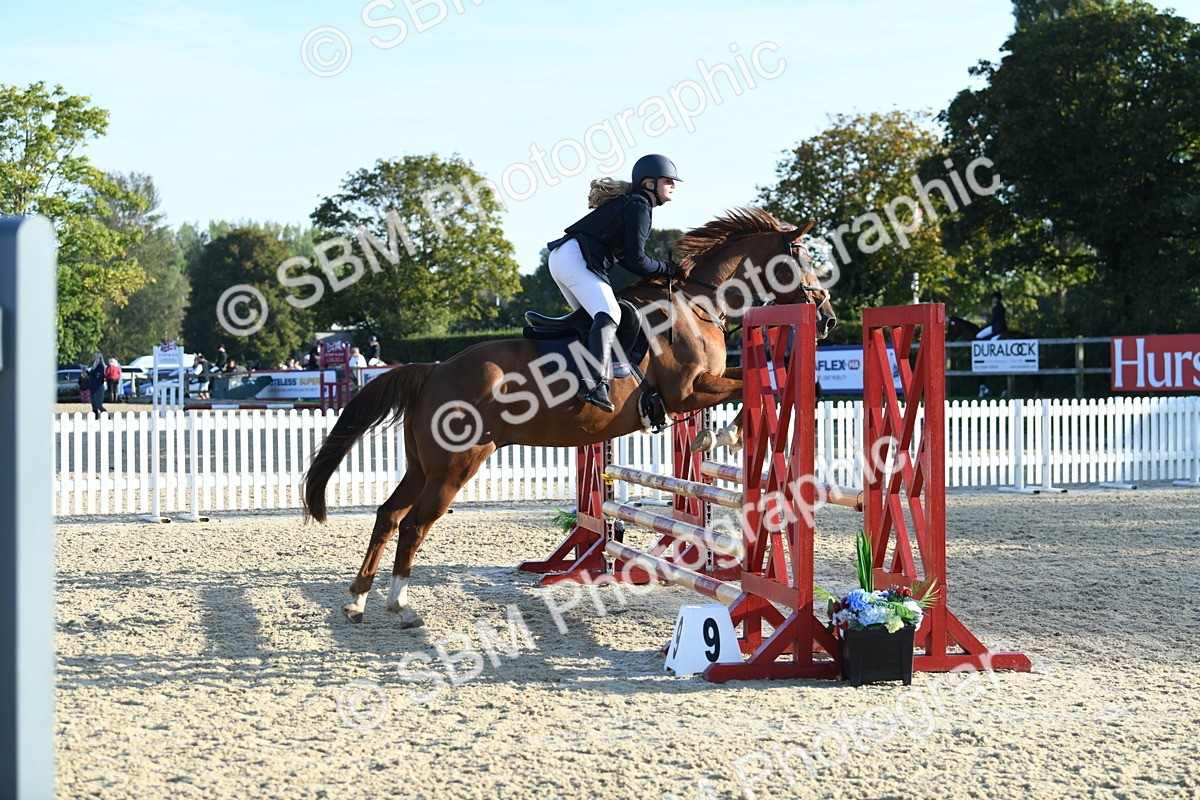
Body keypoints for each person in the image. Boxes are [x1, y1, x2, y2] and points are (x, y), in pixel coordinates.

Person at [545, 153, 682, 412]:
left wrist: (662, 270)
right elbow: (637, 260)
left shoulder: (634, 202)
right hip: (575, 257)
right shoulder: (640, 205)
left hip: (565, 257)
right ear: (649, 183)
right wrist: (668, 269)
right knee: (610, 312)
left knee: (595, 319)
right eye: (667, 180)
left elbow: (630, 260)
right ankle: (593, 384)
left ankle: (576, 375)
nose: (673, 185)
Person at [87, 352, 108, 418]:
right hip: (92, 387)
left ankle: (107, 417)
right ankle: (95, 418)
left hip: (98, 387)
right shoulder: (94, 366)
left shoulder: (100, 366)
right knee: (94, 405)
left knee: (99, 405)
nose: (92, 357)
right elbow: (92, 376)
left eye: (93, 356)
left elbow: (98, 378)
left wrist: (94, 386)